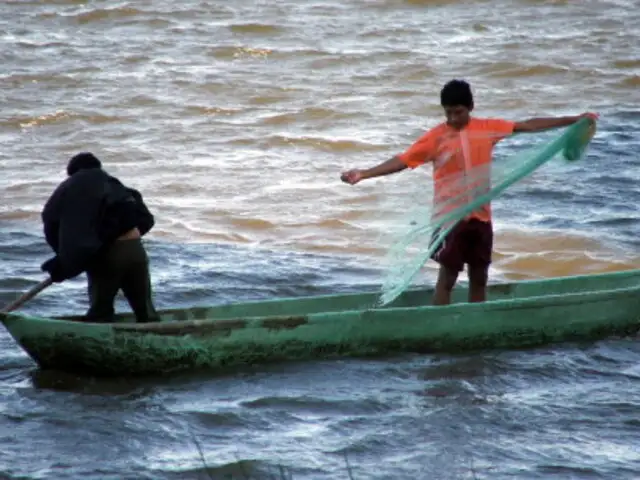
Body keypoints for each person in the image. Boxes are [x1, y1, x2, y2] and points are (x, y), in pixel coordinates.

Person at [340, 79, 598, 306]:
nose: (453, 118)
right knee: (448, 277)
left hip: (481, 217)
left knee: (480, 275)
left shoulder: (487, 128)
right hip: (449, 218)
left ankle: (476, 323)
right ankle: (441, 324)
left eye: (459, 112)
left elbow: (527, 126)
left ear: (470, 107)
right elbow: (403, 160)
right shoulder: (436, 137)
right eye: (448, 113)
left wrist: (573, 119)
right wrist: (364, 173)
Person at [41, 152, 160, 323]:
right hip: (136, 250)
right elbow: (146, 219)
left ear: (73, 172)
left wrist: (64, 257)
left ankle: (94, 343)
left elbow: (50, 219)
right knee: (145, 311)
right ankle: (155, 337)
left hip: (106, 256)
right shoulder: (115, 184)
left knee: (100, 312)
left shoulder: (68, 187)